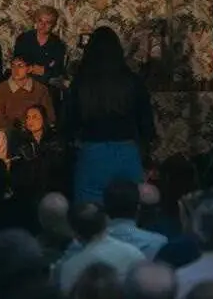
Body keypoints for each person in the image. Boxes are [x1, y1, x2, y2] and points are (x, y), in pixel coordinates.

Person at [66, 26, 155, 204]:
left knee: (89, 218)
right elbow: (147, 124)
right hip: (126, 151)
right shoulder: (132, 81)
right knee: (127, 214)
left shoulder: (81, 82)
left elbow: (68, 123)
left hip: (92, 152)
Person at [9, 104, 63, 199]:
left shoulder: (53, 139)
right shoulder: (20, 141)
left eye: (35, 117)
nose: (30, 121)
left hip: (50, 188)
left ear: (44, 119)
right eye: (28, 117)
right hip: (27, 189)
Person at [0, 54, 55, 132]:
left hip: (35, 132)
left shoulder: (41, 89)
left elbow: (49, 116)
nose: (16, 70)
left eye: (20, 66)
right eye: (13, 66)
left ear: (29, 69)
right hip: (10, 135)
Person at [12, 5, 67, 86]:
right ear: (36, 21)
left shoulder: (58, 44)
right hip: (24, 80)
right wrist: (34, 69)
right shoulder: (23, 38)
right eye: (40, 21)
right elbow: (17, 62)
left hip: (46, 84)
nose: (43, 25)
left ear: (54, 25)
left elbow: (58, 70)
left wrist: (42, 69)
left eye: (48, 22)